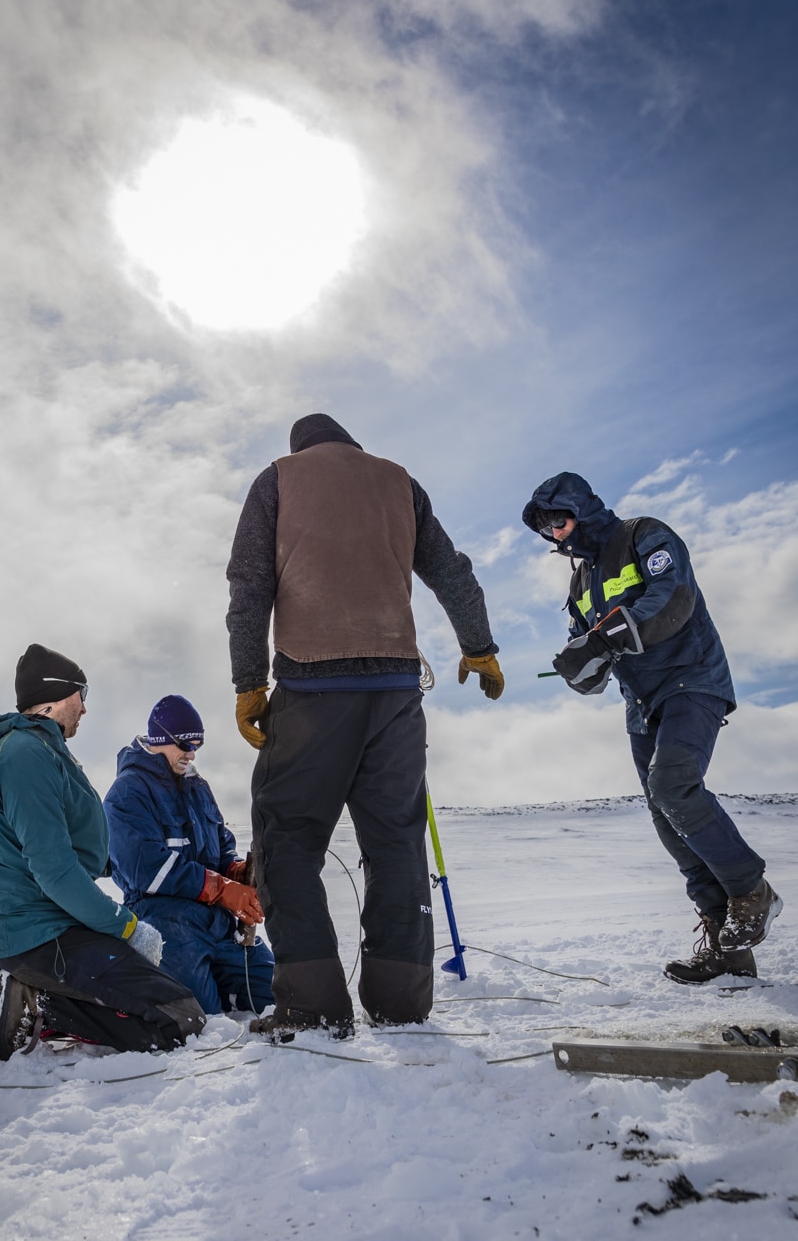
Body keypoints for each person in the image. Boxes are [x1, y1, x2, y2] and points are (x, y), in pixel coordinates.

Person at [226, 413, 503, 1037]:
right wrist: (478, 644)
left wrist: (248, 683)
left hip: (313, 689)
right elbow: (450, 570)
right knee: (396, 842)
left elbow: (249, 587)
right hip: (397, 694)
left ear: (300, 449)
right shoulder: (400, 483)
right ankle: (401, 1005)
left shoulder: (277, 480)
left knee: (288, 838)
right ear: (352, 444)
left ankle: (313, 1003)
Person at [522, 472, 782, 984]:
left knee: (673, 784)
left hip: (692, 679)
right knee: (664, 812)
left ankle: (753, 890)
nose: (556, 533)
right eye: (546, 527)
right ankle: (726, 950)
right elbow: (592, 651)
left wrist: (605, 638)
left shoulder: (644, 535)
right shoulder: (580, 581)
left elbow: (673, 597)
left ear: (583, 507)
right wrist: (580, 663)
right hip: (639, 701)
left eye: (560, 518)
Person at [0, 644, 206, 1060]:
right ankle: (40, 1004)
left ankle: (47, 997)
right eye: (82, 695)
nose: (84, 708)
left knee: (180, 1009)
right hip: (42, 936)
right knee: (178, 1020)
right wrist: (126, 927)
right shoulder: (25, 756)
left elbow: (79, 851)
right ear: (56, 697)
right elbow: (55, 871)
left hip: (63, 928)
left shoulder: (44, 751)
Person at [103, 693, 275, 1015]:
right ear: (159, 738)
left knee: (281, 994)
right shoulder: (128, 792)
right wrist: (221, 889)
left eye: (197, 745)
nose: (191, 753)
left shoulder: (198, 786)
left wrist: (235, 871)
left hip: (219, 924)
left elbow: (220, 843)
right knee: (201, 1021)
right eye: (185, 744)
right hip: (166, 925)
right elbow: (147, 867)